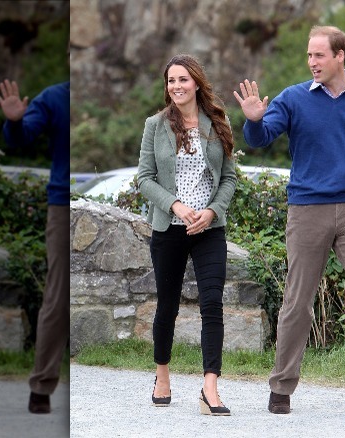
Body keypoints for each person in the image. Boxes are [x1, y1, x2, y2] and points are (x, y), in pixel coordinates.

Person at [233, 25, 345, 416]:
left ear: (340, 56)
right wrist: (255, 121)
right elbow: (260, 139)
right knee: (297, 302)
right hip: (308, 209)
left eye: (319, 55)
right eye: (309, 56)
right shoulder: (294, 98)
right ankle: (281, 388)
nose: (312, 62)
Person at [137, 54, 237, 416]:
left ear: (196, 82)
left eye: (182, 79)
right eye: (170, 81)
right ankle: (162, 375)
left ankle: (210, 387)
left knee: (213, 304)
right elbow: (144, 178)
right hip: (169, 228)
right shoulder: (155, 125)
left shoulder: (218, 122)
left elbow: (229, 178)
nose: (176, 86)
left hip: (209, 229)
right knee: (168, 307)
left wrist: (211, 212)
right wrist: (176, 206)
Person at [0, 76, 69, 414]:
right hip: (62, 206)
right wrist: (13, 121)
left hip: (93, 201)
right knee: (58, 295)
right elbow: (22, 138)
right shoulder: (53, 97)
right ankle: (41, 386)